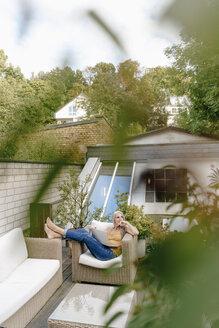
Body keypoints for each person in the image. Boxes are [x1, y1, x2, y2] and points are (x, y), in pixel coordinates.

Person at [44, 211, 139, 261]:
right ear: (114, 219)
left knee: (85, 237)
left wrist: (127, 223)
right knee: (84, 231)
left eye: (122, 217)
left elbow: (136, 232)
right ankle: (55, 234)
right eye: (118, 217)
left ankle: (57, 231)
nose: (120, 219)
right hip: (101, 249)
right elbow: (100, 237)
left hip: (110, 254)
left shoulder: (124, 229)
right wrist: (91, 229)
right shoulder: (109, 229)